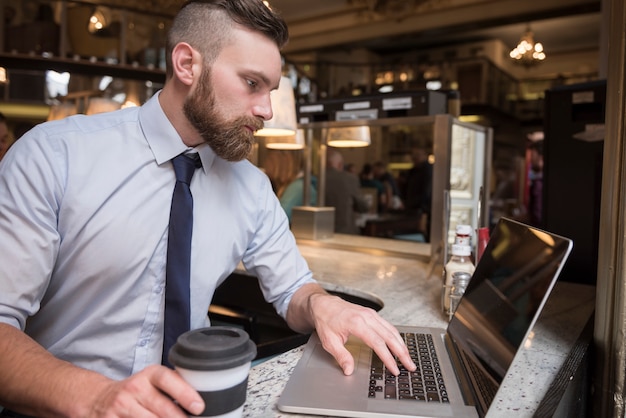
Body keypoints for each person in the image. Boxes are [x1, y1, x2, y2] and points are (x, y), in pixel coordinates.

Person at [0, 1, 415, 417]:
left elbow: (293, 290)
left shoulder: (251, 186)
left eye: (270, 90)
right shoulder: (54, 156)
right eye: (252, 83)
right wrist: (97, 397)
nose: (266, 111)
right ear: (186, 64)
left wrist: (323, 304)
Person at [263, 149, 317, 221]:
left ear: (285, 160)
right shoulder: (293, 185)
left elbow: (274, 220)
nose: (265, 164)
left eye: (270, 159)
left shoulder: (298, 188)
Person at [325, 149, 369, 234]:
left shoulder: (316, 178)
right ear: (340, 164)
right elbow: (362, 206)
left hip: (321, 232)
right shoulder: (350, 179)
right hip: (345, 232)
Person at [402, 147, 433, 235]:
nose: (415, 157)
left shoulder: (428, 170)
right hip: (412, 209)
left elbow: (426, 192)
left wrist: (422, 210)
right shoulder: (413, 170)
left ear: (424, 156)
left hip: (421, 210)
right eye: (413, 155)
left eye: (417, 155)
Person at [527, 140, 544, 227]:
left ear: (541, 157)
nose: (531, 161)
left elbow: (536, 217)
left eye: (533, 156)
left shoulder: (539, 184)